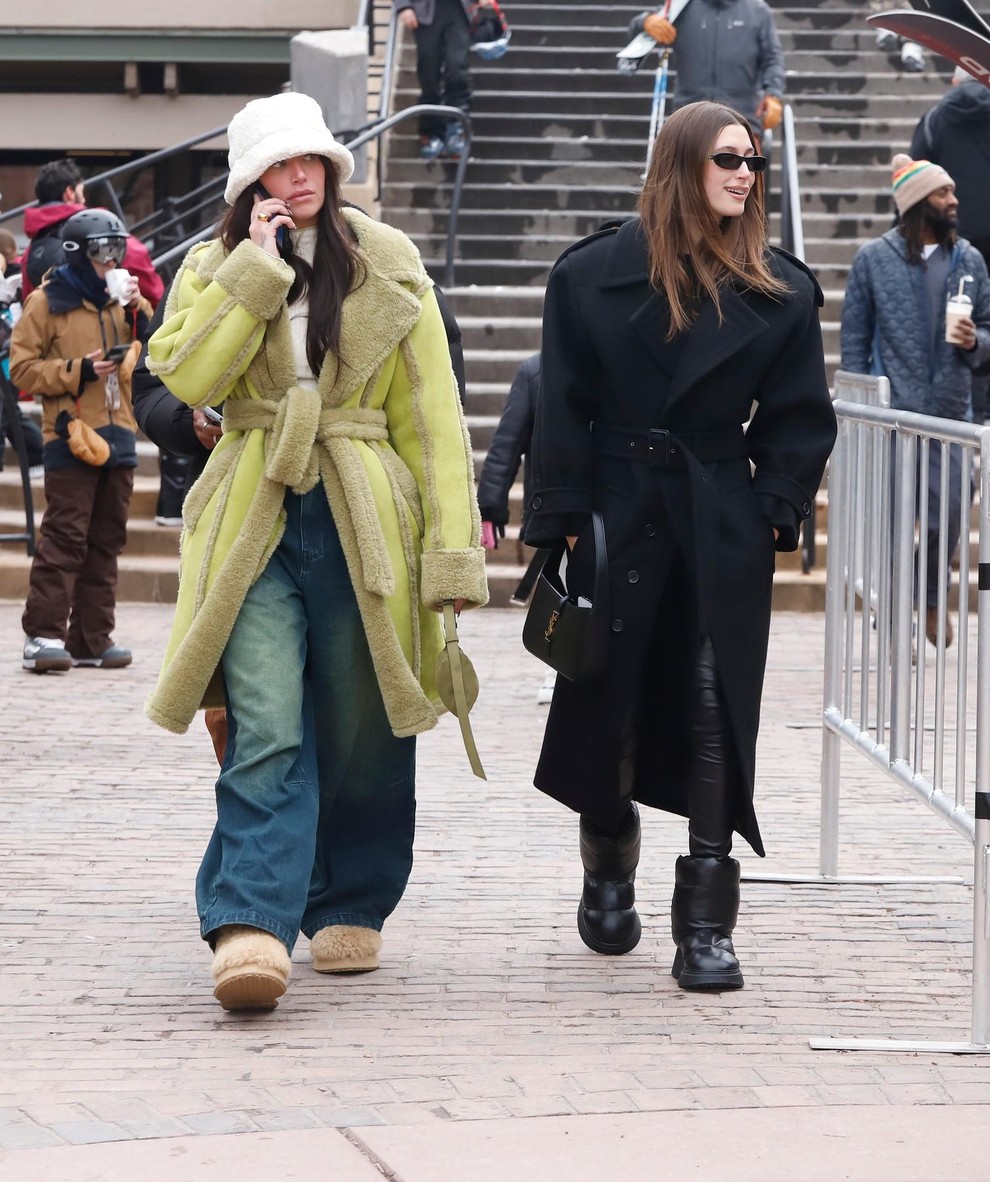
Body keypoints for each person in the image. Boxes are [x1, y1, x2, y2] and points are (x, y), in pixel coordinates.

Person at [143, 91, 487, 1012]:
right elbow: (184, 376)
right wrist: (255, 274)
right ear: (249, 180)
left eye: (312, 164)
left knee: (363, 719)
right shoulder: (212, 264)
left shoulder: (388, 261)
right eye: (279, 166)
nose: (299, 180)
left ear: (333, 171)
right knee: (265, 720)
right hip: (253, 506)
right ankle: (251, 920)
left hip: (363, 504)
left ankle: (353, 899)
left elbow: (434, 421)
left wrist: (451, 557)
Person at [524, 100, 835, 990]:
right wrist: (559, 523)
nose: (746, 173)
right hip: (618, 511)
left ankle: (706, 923)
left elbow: (799, 419)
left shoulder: (780, 289)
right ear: (683, 164)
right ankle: (608, 853)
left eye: (756, 162)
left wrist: (769, 507)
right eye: (729, 158)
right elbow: (564, 408)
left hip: (714, 513)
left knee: (713, 714)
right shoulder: (591, 277)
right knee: (609, 710)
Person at [840, 154, 990, 647]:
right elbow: (855, 343)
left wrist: (974, 342)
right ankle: (894, 604)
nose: (954, 200)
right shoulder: (872, 260)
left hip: (950, 414)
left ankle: (929, 595)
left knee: (948, 515)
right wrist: (861, 409)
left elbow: (988, 333)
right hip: (893, 417)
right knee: (893, 519)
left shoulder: (969, 259)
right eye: (943, 193)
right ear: (917, 203)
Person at [9, 209, 152, 673]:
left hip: (120, 431)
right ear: (77, 253)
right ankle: (43, 635)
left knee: (107, 539)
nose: (111, 260)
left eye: (116, 250)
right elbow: (22, 370)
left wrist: (138, 305)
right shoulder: (46, 302)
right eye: (101, 251)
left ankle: (91, 638)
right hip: (70, 435)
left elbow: (153, 339)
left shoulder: (119, 298)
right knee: (65, 538)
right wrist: (80, 369)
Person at [910, 65, 990, 420]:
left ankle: (952, 414)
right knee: (980, 329)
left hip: (949, 240)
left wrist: (905, 231)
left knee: (952, 325)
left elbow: (913, 179)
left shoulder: (934, 119)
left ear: (955, 80)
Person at [476, 351, 555, 700]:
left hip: (585, 503)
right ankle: (557, 665)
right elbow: (506, 444)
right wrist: (490, 508)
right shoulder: (536, 372)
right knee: (561, 589)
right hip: (555, 508)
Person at [21, 158, 164, 308]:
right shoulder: (105, 235)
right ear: (70, 193)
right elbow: (155, 296)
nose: (83, 199)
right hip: (105, 325)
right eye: (81, 191)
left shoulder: (32, 249)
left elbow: (28, 301)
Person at [628, 0, 785, 134]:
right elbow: (636, 33)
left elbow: (772, 57)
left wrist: (774, 94)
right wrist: (645, 22)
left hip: (743, 120)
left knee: (744, 167)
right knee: (685, 168)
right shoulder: (681, 6)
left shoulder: (757, 10)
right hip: (689, 118)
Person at [395, 0, 497, 161]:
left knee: (457, 68)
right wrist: (404, 7)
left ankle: (457, 128)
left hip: (460, 10)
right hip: (425, 12)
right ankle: (431, 131)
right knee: (428, 73)